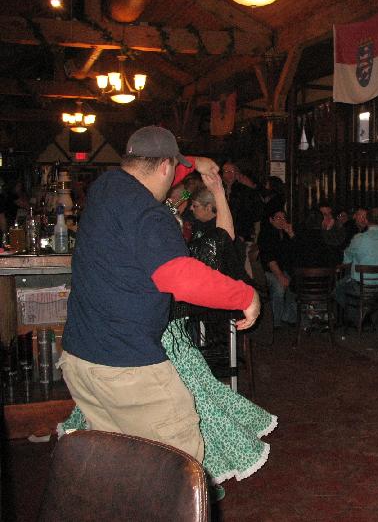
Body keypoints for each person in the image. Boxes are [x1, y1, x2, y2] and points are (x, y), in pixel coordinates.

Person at [61, 169, 275, 491]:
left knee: (152, 442)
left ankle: (170, 497)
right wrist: (205, 183)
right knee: (171, 447)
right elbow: (207, 234)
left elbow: (221, 237)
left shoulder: (181, 238)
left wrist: (211, 186)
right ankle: (176, 498)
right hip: (152, 349)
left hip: (144, 346)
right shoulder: (169, 236)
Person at [335, 207, 378, 315]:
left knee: (337, 289)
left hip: (361, 287)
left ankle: (357, 317)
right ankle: (369, 314)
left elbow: (346, 260)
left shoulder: (359, 238)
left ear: (366, 220)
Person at [257, 209, 297, 327]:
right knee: (279, 288)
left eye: (284, 218)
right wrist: (280, 276)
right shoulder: (266, 234)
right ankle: (275, 323)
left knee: (295, 283)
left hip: (284, 270)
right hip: (268, 271)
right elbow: (269, 259)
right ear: (271, 220)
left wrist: (291, 234)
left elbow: (297, 252)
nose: (282, 220)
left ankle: (289, 317)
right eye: (278, 218)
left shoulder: (285, 234)